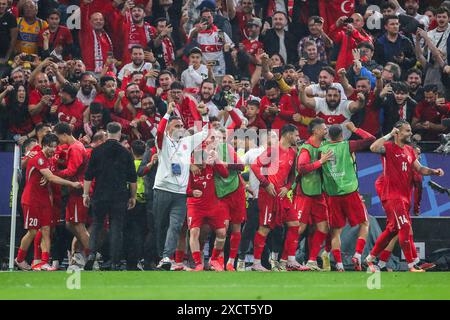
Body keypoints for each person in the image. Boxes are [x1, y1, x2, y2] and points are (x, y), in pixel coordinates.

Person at [366, 120, 445, 272]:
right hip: (393, 196)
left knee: (392, 230)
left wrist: (434, 171)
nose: (410, 133)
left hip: (404, 198)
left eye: (410, 130)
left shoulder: (409, 150)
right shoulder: (388, 147)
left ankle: (370, 259)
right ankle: (412, 264)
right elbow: (373, 147)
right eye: (407, 131)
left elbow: (420, 168)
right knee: (405, 227)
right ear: (398, 132)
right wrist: (389, 134)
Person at [152, 101, 209, 271]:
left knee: (175, 226)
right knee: (160, 225)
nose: (180, 128)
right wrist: (167, 113)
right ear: (169, 127)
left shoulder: (187, 142)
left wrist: (204, 114)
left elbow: (205, 132)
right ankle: (155, 256)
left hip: (180, 193)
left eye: (182, 125)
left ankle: (166, 258)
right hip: (162, 188)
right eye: (177, 125)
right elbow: (160, 130)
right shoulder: (162, 142)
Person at [15, 133, 81, 271]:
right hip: (31, 199)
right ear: (43, 145)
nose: (53, 150)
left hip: (45, 199)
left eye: (54, 147)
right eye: (50, 147)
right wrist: (72, 184)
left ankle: (44, 262)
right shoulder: (38, 157)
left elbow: (50, 175)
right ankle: (19, 259)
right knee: (33, 232)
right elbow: (51, 177)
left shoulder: (49, 159)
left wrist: (48, 178)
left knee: (46, 230)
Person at [319, 122, 375, 271]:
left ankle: (339, 264)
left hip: (332, 195)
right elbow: (371, 139)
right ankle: (357, 254)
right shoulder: (348, 145)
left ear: (328, 135)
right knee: (364, 223)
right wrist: (355, 129)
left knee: (336, 231)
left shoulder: (321, 148)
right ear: (342, 135)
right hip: (350, 193)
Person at [83, 122, 137, 271]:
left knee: (97, 225)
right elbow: (132, 179)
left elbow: (88, 176)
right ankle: (114, 261)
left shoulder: (97, 151)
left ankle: (92, 254)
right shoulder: (126, 152)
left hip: (100, 193)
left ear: (107, 133)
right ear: (119, 133)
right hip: (119, 195)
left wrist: (85, 194)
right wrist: (133, 197)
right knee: (116, 228)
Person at [250, 124, 303, 271]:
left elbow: (293, 175)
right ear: (287, 135)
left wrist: (288, 187)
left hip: (282, 194)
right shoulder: (273, 151)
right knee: (264, 228)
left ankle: (290, 260)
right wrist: (266, 183)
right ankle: (256, 263)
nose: (298, 138)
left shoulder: (293, 152)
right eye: (296, 135)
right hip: (268, 194)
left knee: (294, 225)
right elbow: (255, 166)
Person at [292, 118, 332, 271]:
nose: (326, 130)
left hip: (318, 193)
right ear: (316, 131)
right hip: (305, 192)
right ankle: (286, 260)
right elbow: (301, 168)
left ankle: (311, 261)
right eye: (324, 128)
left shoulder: (323, 146)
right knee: (299, 228)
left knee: (323, 227)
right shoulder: (306, 148)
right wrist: (320, 162)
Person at [53, 122, 90, 268]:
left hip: (78, 191)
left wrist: (53, 175)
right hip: (74, 191)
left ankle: (91, 256)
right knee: (70, 224)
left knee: (79, 226)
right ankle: (82, 252)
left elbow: (71, 171)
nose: (58, 141)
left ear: (64, 135)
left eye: (58, 138)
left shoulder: (75, 148)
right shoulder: (75, 147)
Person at [187, 145, 229, 271]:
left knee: (222, 232)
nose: (203, 166)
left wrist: (216, 160)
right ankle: (198, 263)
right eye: (200, 163)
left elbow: (225, 174)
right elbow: (184, 187)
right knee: (194, 232)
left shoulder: (211, 167)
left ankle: (214, 259)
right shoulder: (189, 170)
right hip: (195, 205)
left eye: (204, 162)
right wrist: (191, 192)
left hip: (212, 205)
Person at [299, 81, 366, 140]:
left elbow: (356, 106)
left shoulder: (345, 104)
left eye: (335, 96)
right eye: (329, 95)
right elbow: (305, 101)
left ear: (340, 97)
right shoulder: (320, 102)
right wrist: (302, 91)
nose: (332, 98)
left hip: (344, 142)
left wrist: (361, 101)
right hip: (325, 142)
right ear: (326, 96)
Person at [0, 0, 17, 66]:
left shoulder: (11, 17)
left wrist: (6, 58)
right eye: (0, 4)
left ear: (7, 5)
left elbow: (13, 39)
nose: (1, 6)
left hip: (4, 55)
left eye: (4, 4)